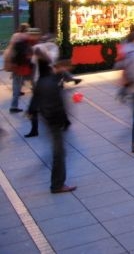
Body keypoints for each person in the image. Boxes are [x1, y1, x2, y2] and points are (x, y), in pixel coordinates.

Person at [33, 60, 77, 193]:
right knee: (59, 153)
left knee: (58, 152)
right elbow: (56, 106)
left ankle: (57, 184)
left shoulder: (45, 80)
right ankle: (57, 185)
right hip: (54, 122)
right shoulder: (52, 84)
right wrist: (64, 121)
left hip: (48, 120)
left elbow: (36, 99)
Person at [6, 24, 34, 113]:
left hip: (16, 66)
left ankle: (14, 104)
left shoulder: (15, 37)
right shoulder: (23, 40)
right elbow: (25, 55)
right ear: (26, 30)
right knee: (29, 83)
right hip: (21, 67)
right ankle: (14, 107)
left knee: (17, 84)